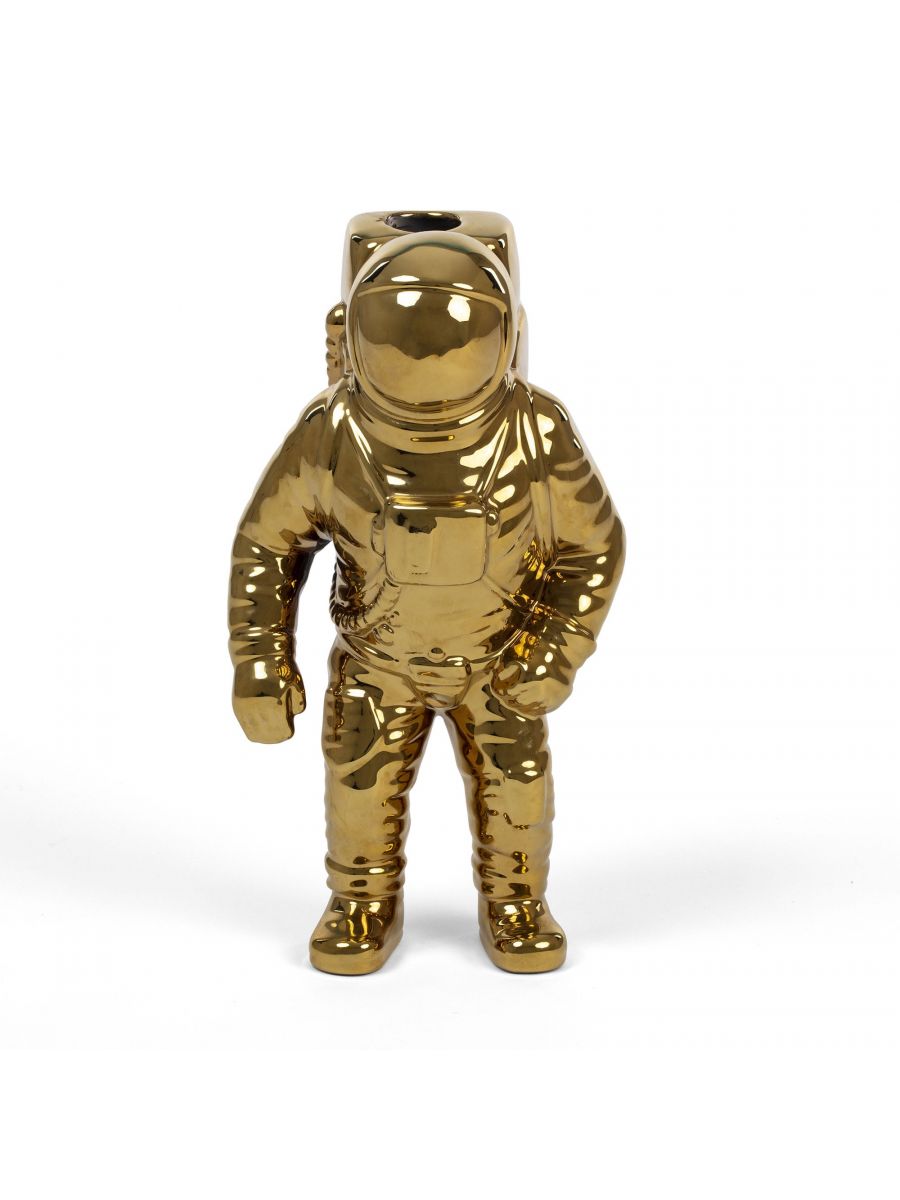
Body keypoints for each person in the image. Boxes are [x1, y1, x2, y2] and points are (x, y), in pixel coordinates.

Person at [228, 217, 625, 974]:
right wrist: (260, 659)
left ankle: (516, 900)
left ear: (510, 339)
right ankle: (360, 899)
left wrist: (554, 649)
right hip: (378, 661)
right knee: (358, 782)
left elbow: (594, 546)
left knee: (517, 788)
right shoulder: (334, 430)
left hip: (501, 663)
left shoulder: (534, 432)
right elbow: (268, 546)